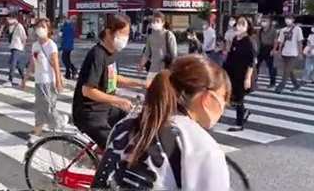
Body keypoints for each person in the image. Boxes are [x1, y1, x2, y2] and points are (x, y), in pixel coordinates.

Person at [92, 55, 232, 190]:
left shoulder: (124, 125)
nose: (224, 107)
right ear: (208, 98)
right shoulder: (202, 147)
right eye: (224, 99)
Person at [72, 14, 147, 150]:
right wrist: (118, 100)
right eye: (122, 34)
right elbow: (88, 90)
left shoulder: (111, 53)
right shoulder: (97, 55)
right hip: (89, 113)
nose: (125, 39)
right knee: (116, 149)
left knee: (135, 125)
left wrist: (142, 84)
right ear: (108, 32)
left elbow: (114, 78)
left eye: (127, 34)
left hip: (105, 108)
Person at [22, 18, 67, 142]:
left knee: (47, 107)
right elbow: (32, 63)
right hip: (38, 80)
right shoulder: (35, 45)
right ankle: (39, 130)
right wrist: (25, 78)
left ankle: (57, 122)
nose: (40, 29)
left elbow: (56, 64)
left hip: (49, 80)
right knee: (41, 106)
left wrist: (58, 81)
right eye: (38, 26)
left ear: (48, 30)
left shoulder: (51, 45)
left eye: (43, 26)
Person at [223, 16, 255, 132]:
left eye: (243, 24)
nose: (239, 26)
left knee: (239, 98)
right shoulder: (236, 39)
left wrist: (248, 78)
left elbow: (251, 62)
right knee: (231, 97)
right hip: (232, 72)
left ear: (247, 27)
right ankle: (244, 113)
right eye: (238, 24)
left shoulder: (248, 42)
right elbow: (230, 56)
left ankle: (239, 123)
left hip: (242, 74)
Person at [138, 11, 177, 83]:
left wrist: (173, 70)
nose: (155, 23)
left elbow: (174, 54)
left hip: (165, 69)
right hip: (153, 68)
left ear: (163, 23)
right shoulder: (150, 36)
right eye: (153, 21)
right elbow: (146, 53)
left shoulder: (169, 35)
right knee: (149, 88)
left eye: (157, 21)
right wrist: (141, 65)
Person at [274, 15, 304, 94]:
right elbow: (280, 42)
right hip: (285, 52)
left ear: (293, 20)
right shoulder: (283, 30)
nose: (287, 20)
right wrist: (279, 52)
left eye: (289, 19)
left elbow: (299, 42)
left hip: (293, 53)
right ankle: (296, 84)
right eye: (286, 19)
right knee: (289, 71)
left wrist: (300, 53)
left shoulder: (298, 29)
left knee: (286, 71)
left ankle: (281, 86)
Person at [5, 14, 27, 87]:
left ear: (14, 18)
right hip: (12, 47)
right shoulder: (11, 26)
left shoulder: (19, 26)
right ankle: (24, 78)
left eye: (9, 19)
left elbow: (24, 37)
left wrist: (23, 47)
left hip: (17, 47)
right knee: (19, 65)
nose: (8, 21)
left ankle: (10, 80)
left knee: (13, 63)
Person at [257, 16, 278, 88]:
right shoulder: (260, 30)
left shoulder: (273, 30)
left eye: (265, 21)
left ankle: (272, 82)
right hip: (261, 48)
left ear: (269, 22)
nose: (263, 23)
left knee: (271, 67)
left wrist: (274, 49)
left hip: (269, 48)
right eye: (262, 21)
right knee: (256, 65)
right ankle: (254, 81)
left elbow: (275, 41)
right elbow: (258, 41)